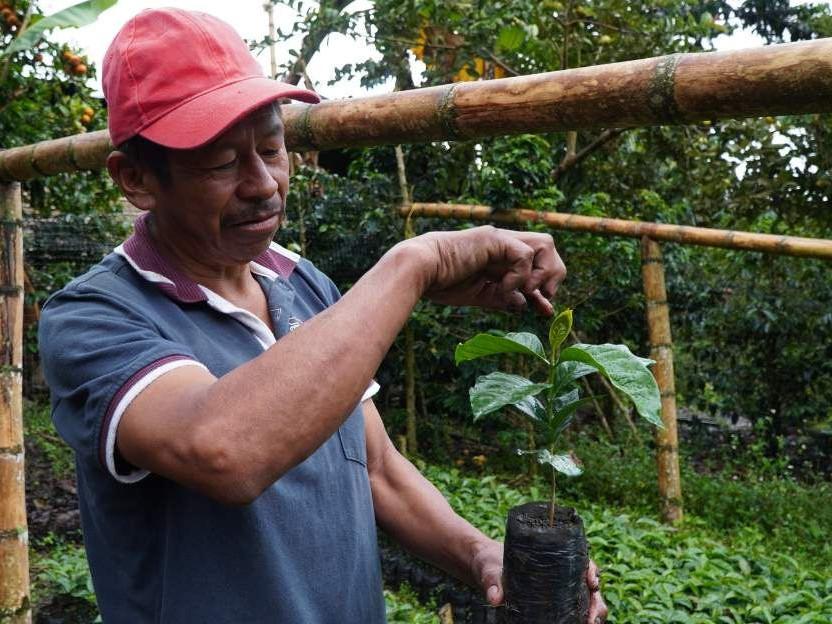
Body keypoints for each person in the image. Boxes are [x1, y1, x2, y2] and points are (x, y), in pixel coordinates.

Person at [39, 8, 608, 624]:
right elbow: (225, 452)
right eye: (222, 163)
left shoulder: (302, 283)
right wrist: (416, 263)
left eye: (272, 148)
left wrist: (481, 556)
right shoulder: (94, 316)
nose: (263, 184)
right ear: (136, 179)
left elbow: (377, 471)